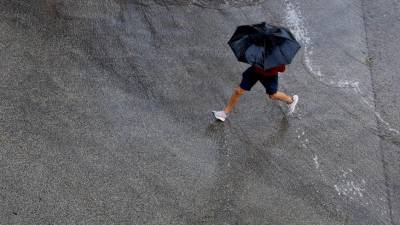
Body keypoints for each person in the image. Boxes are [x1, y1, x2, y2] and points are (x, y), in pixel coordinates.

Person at [212, 64, 298, 121]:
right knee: (238, 91)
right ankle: (224, 113)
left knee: (272, 95)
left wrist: (271, 65)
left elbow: (282, 69)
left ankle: (290, 100)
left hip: (270, 75)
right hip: (255, 70)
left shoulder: (278, 54)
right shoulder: (260, 43)